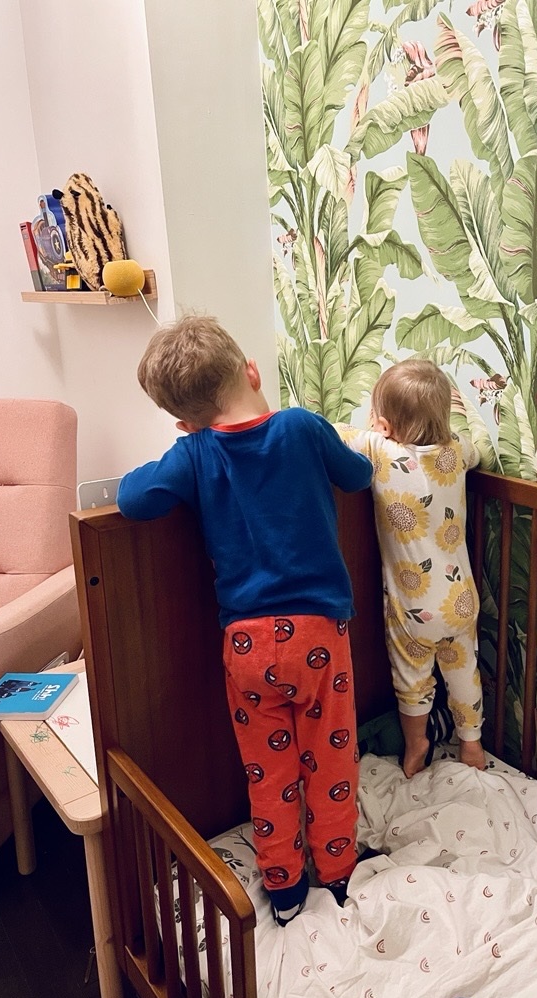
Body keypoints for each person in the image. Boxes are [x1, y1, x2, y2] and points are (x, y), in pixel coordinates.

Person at [117, 315, 373, 926]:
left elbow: (131, 498)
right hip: (317, 636)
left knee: (271, 768)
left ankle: (283, 889)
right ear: (252, 370)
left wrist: (190, 444)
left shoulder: (194, 452)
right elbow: (359, 475)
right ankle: (336, 872)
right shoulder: (302, 426)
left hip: (247, 646)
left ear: (183, 420)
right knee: (330, 757)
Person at [337, 360, 486, 778]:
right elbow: (478, 447)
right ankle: (471, 745)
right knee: (463, 672)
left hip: (414, 609)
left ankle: (417, 743)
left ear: (384, 424)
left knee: (413, 679)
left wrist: (371, 431)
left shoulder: (380, 451)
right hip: (460, 601)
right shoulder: (454, 453)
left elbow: (330, 434)